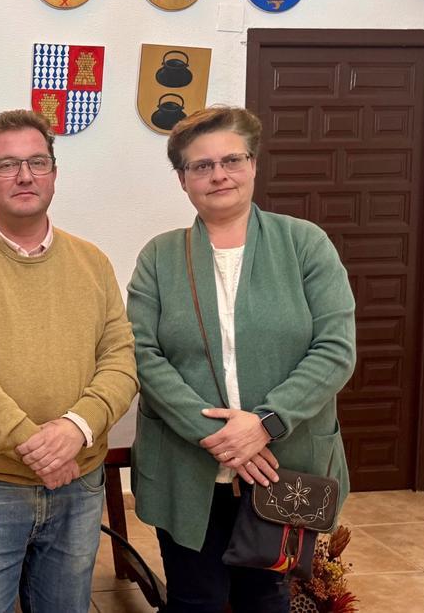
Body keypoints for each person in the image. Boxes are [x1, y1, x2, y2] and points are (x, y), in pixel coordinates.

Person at [127, 105, 356, 612]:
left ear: (253, 164)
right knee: (195, 599)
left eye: (232, 159)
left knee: (267, 595)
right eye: (200, 165)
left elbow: (336, 349)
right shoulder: (160, 257)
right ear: (182, 179)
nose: (219, 174)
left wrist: (265, 424)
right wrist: (218, 435)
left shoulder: (304, 244)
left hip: (284, 462)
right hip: (187, 464)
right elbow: (142, 353)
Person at [0, 109, 139, 612]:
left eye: (38, 162)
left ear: (54, 176)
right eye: (7, 165)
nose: (24, 175)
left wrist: (74, 430)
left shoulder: (93, 262)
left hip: (78, 483)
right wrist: (37, 444)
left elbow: (120, 360)